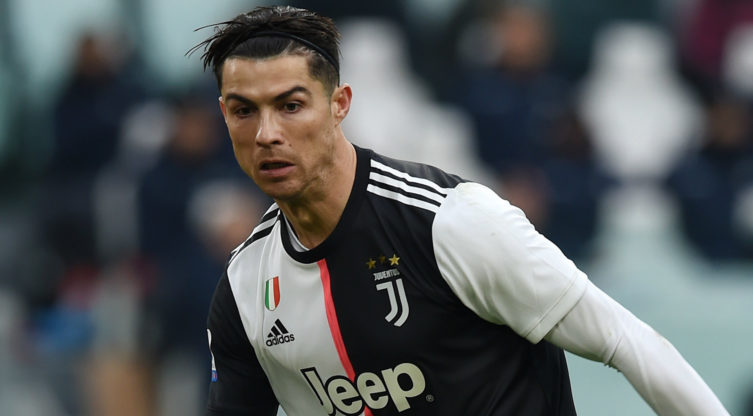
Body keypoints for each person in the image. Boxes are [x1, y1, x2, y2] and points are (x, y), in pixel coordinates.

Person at [191, 6, 730, 415]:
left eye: (290, 105)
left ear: (339, 105)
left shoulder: (450, 222)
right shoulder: (244, 288)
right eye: (243, 111)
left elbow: (627, 342)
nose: (267, 134)